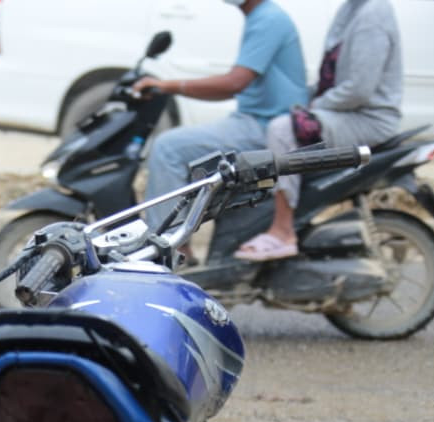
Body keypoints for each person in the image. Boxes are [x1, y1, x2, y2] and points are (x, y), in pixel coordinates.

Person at [234, 0, 403, 261]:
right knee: (287, 120)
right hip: (346, 110)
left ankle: (282, 230)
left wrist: (313, 106)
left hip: (368, 117)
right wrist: (304, 102)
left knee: (282, 129)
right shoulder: (352, 9)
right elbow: (331, 79)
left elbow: (358, 89)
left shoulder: (373, 14)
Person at [132, 0, 308, 233]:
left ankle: (166, 249)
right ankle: (182, 243)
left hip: (265, 125)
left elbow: (234, 83)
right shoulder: (261, 16)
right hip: (255, 119)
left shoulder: (268, 19)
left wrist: (166, 85)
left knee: (168, 148)